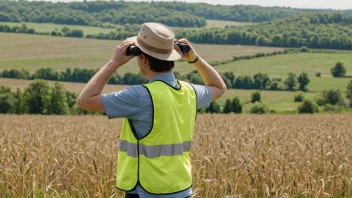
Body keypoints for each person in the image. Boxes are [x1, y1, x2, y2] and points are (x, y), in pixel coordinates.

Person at [77, 22, 226, 198]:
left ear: (144, 58)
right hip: (181, 188)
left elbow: (85, 101)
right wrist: (194, 58)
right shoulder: (190, 92)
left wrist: (114, 62)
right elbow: (219, 87)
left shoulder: (140, 96)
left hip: (147, 190)